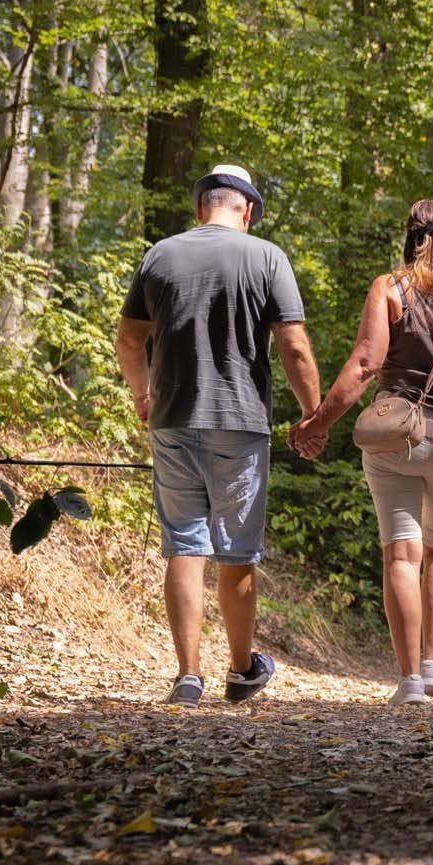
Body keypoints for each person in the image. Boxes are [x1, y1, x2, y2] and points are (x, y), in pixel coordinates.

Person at [115, 163, 321, 707]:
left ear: (200, 207)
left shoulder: (160, 254)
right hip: (241, 422)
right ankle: (239, 670)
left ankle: (187, 676)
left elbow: (128, 340)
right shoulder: (266, 256)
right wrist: (312, 414)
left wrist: (143, 393)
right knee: (237, 553)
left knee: (185, 546)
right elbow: (295, 346)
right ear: (247, 210)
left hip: (174, 420)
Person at [291, 199, 433, 705]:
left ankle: (409, 680)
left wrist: (316, 424)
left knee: (401, 553)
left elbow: (365, 366)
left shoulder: (390, 289)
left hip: (394, 436)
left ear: (410, 237)